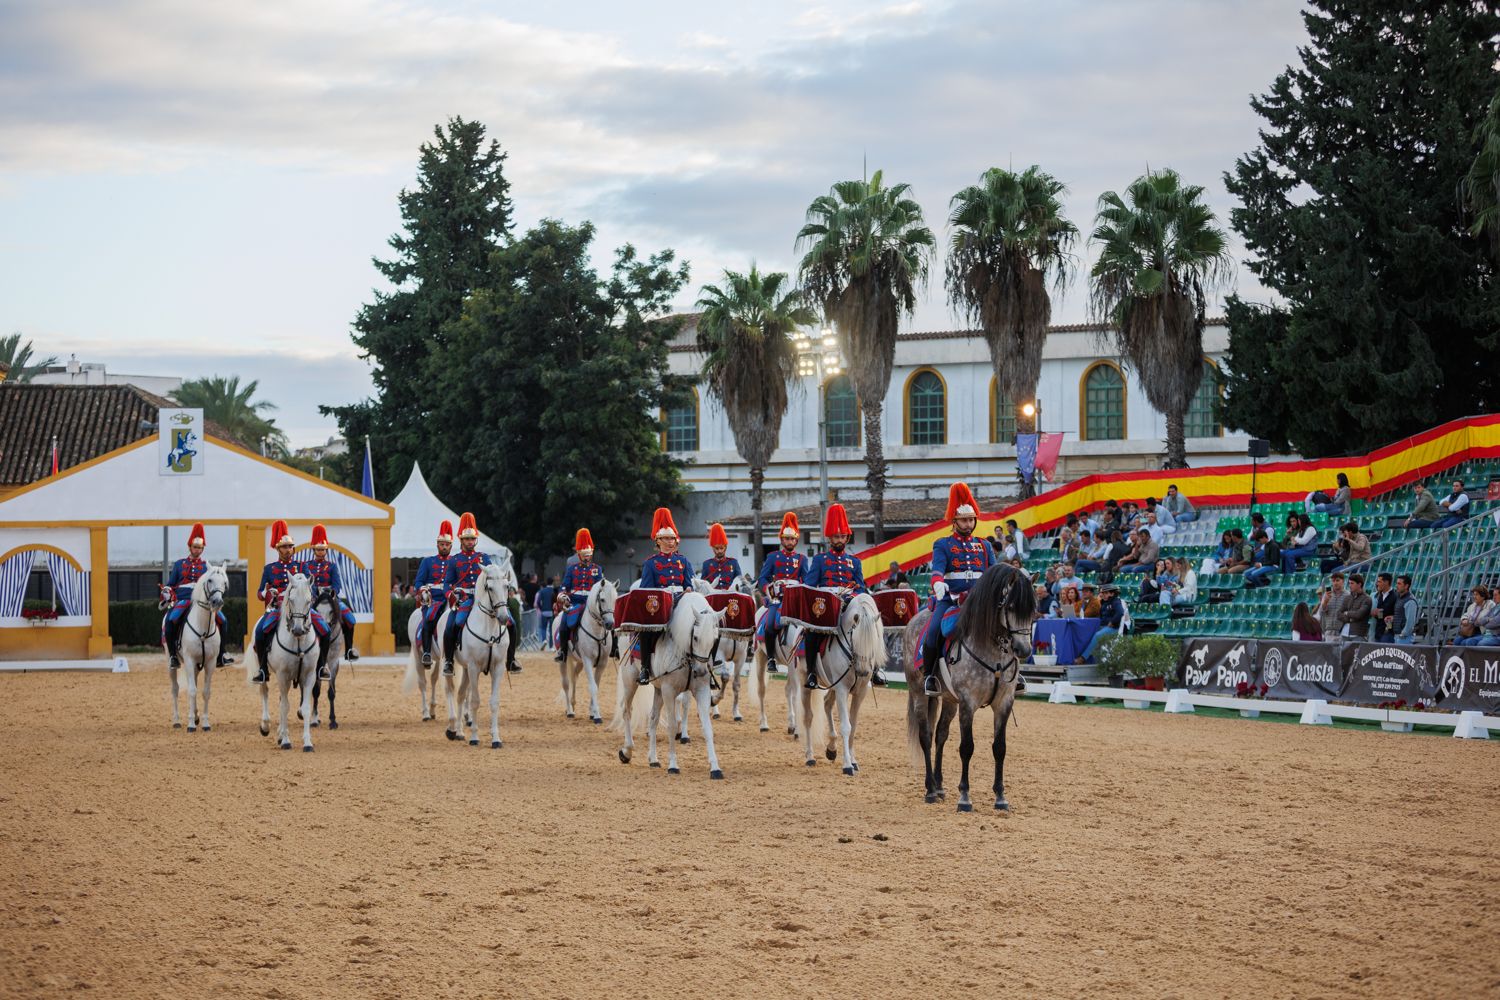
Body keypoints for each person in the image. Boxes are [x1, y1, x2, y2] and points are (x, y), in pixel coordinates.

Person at [919, 483, 996, 696]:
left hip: (980, 601)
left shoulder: (984, 546)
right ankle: (929, 676)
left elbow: (994, 572)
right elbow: (937, 569)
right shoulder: (942, 544)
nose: (968, 524)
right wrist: (937, 582)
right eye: (964, 520)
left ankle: (1012, 674)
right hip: (951, 599)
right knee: (933, 631)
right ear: (954, 521)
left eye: (971, 520)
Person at [802, 503, 873, 688]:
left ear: (847, 538)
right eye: (836, 536)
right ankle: (811, 673)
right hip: (827, 607)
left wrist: (852, 595)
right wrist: (825, 595)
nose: (839, 540)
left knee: (870, 628)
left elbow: (861, 588)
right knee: (811, 633)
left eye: (842, 536)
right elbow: (809, 586)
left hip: (850, 605)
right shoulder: (820, 560)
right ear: (830, 538)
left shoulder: (855, 562)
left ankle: (875, 669)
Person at [252, 520, 332, 684]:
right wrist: (267, 592)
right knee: (260, 632)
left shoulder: (301, 566)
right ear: (278, 549)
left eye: (290, 546)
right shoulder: (269, 569)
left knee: (325, 630)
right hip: (278, 608)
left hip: (300, 608)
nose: (288, 550)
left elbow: (312, 588)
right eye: (284, 547)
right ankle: (263, 669)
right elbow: (260, 593)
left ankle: (321, 666)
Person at [159, 522, 233, 670]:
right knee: (170, 620)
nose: (197, 550)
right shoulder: (179, 564)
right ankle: (173, 655)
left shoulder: (207, 567)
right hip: (184, 600)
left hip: (201, 601)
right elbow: (171, 584)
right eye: (195, 547)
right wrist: (167, 591)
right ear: (190, 547)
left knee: (223, 621)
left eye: (200, 548)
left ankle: (221, 654)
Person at [636, 507, 696, 685]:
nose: (671, 542)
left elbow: (690, 583)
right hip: (661, 605)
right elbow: (646, 590)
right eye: (667, 539)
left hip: (682, 602)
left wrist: (689, 589)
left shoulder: (683, 561)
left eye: (673, 538)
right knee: (645, 630)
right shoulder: (650, 563)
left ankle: (705, 665)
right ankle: (645, 668)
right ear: (658, 541)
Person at [440, 513, 494, 677]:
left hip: (483, 599)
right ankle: (449, 661)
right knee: (452, 625)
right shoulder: (454, 560)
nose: (470, 541)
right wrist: (451, 595)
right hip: (463, 600)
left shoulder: (484, 558)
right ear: (461, 540)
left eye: (472, 539)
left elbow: (492, 576)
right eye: (467, 539)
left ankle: (510, 659)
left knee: (510, 621)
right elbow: (447, 584)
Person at [755, 512, 810, 670]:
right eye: (786, 538)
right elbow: (762, 579)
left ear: (796, 540)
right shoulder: (773, 557)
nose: (789, 541)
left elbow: (807, 580)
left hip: (795, 599)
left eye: (792, 539)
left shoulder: (802, 559)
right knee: (770, 624)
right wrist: (769, 589)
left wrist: (801, 589)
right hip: (776, 598)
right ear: (782, 540)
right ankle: (771, 658)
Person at [300, 524, 360, 663]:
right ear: (313, 550)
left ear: (326, 550)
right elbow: (307, 583)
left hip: (331, 599)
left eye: (323, 550)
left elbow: (337, 584)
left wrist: (333, 592)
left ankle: (349, 649)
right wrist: (314, 592)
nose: (321, 552)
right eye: (318, 549)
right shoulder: (307, 566)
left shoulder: (332, 566)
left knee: (350, 619)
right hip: (313, 599)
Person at [554, 529, 604, 664]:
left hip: (590, 604)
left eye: (589, 555)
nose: (587, 557)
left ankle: (613, 648)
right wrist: (563, 596)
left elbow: (600, 586)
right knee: (564, 623)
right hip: (575, 603)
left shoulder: (597, 569)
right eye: (584, 555)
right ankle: (563, 651)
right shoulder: (572, 569)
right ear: (579, 555)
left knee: (608, 619)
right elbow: (564, 586)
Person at [411, 520, 455, 667]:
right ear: (437, 545)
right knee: (429, 618)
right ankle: (427, 653)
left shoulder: (455, 562)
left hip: (450, 597)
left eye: (447, 544)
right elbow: (418, 582)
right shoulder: (427, 561)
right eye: (442, 544)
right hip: (433, 599)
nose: (444, 547)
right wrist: (423, 590)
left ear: (451, 546)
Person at [1076, 583, 1125, 664]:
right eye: (1103, 593)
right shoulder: (1103, 602)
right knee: (1088, 634)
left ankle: (1083, 658)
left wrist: (1112, 622)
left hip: (1113, 628)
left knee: (1097, 635)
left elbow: (1120, 613)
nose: (1104, 595)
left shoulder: (1115, 601)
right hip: (1102, 626)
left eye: (1106, 593)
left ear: (1112, 593)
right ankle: (1094, 661)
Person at [700, 523, 742, 589]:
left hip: (730, 594)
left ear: (725, 547)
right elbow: (702, 585)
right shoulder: (706, 564)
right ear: (713, 548)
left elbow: (739, 581)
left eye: (721, 548)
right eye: (717, 548)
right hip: (713, 594)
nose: (719, 551)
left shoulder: (733, 563)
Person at [1339, 573, 1373, 639]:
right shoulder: (1347, 598)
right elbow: (1339, 613)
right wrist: (1349, 619)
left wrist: (1347, 613)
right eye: (1349, 583)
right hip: (1344, 633)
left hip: (1358, 634)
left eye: (1352, 583)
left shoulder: (1367, 599)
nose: (1350, 585)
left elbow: (1358, 615)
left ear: (1359, 584)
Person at [1315, 572, 1349, 637]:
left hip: (1342, 631)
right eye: (1333, 581)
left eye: (1337, 580)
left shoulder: (1348, 595)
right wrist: (1325, 601)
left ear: (1343, 581)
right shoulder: (1327, 594)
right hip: (1328, 630)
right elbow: (1321, 612)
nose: (1335, 583)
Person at [1393, 575, 1420, 645]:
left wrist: (1403, 634)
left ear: (1406, 586)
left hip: (1404, 638)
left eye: (1399, 584)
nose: (1396, 586)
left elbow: (1410, 622)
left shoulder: (1410, 601)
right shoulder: (1399, 598)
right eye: (1396, 583)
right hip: (1398, 636)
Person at [1371, 572, 1397, 642]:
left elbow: (1393, 615)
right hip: (1379, 632)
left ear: (1386, 582)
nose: (1377, 584)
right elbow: (1381, 616)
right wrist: (1375, 613)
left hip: (1388, 633)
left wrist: (1388, 630)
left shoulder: (1395, 596)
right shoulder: (1381, 595)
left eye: (1379, 582)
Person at [535, 577, 558, 648]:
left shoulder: (542, 591)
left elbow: (538, 601)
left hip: (544, 611)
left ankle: (544, 640)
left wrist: (541, 609)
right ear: (552, 582)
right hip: (552, 612)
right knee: (551, 629)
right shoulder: (554, 591)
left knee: (543, 628)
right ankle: (551, 646)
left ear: (546, 582)